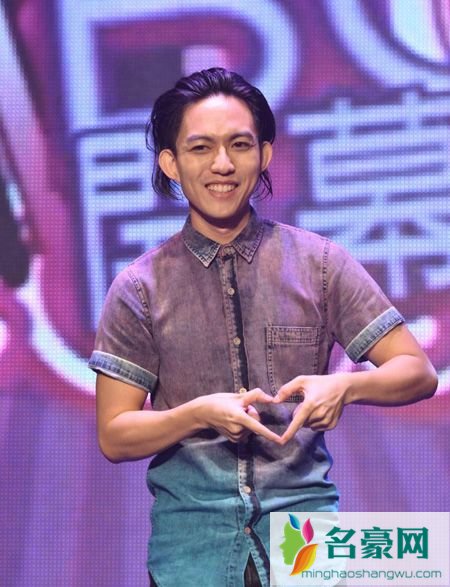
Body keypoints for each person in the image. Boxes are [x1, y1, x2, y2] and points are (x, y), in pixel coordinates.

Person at [88, 68, 437, 587]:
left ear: (265, 154)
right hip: (191, 553)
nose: (222, 164)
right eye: (201, 148)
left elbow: (417, 372)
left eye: (239, 145)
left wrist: (347, 387)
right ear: (171, 163)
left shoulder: (320, 264)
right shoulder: (140, 288)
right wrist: (197, 414)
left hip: (306, 544)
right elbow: (115, 435)